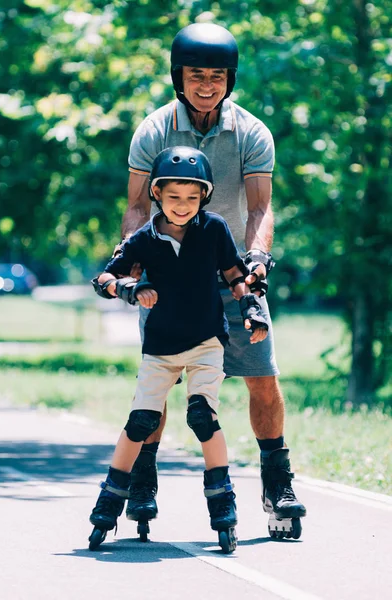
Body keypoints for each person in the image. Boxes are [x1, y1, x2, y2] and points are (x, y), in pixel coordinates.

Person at [119, 22, 307, 539]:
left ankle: (277, 482)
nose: (207, 84)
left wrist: (257, 258)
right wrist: (130, 263)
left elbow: (260, 205)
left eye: (217, 75)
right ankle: (142, 476)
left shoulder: (251, 132)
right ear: (179, 77)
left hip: (230, 271)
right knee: (158, 383)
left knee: (261, 376)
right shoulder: (154, 130)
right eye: (196, 74)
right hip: (171, 274)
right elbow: (137, 207)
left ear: (230, 79)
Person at [89, 146, 267, 552]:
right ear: (157, 195)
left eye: (191, 197)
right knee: (140, 422)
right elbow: (103, 278)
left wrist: (252, 309)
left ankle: (222, 502)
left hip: (206, 341)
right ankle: (109, 500)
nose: (182, 205)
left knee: (203, 416)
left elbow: (235, 274)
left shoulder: (215, 228)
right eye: (173, 197)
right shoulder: (143, 239)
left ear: (203, 196)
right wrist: (131, 288)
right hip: (161, 347)